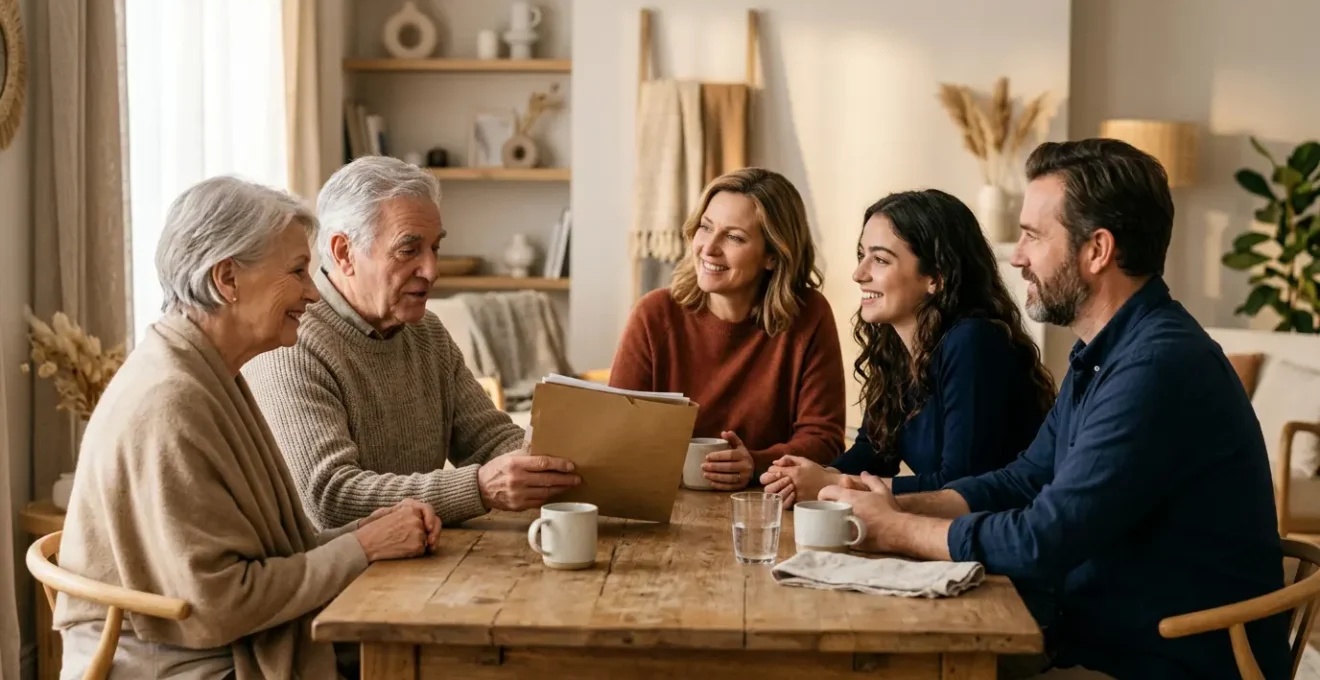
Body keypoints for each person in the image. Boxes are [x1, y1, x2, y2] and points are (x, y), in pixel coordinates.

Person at [814, 139, 1289, 679]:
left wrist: (896, 530)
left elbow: (1043, 538)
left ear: (1097, 250)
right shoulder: (1105, 354)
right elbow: (1025, 480)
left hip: (1161, 663)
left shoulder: (1158, 366)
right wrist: (899, 503)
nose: (1016, 256)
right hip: (1091, 637)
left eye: (1033, 236)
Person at [53, 177, 441, 680]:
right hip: (180, 664)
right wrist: (364, 547)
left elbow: (272, 553)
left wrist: (364, 532)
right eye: (299, 272)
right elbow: (221, 604)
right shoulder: (171, 401)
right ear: (227, 280)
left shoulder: (206, 369)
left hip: (214, 643)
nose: (313, 294)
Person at [243, 156, 581, 530]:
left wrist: (565, 462)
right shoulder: (291, 343)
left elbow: (490, 439)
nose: (432, 271)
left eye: (435, 248)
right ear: (343, 253)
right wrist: (481, 487)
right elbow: (331, 498)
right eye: (409, 250)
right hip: (341, 578)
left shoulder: (427, 333)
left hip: (419, 558)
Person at [760, 189, 1054, 506]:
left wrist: (833, 484)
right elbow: (873, 453)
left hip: (1003, 541)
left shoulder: (973, 342)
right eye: (862, 256)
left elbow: (960, 485)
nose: (859, 274)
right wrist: (805, 475)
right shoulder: (897, 347)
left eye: (881, 260)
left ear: (936, 277)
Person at [608, 167, 846, 490]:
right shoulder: (654, 315)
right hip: (664, 498)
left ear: (773, 256)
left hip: (766, 503)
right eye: (706, 228)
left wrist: (756, 463)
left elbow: (824, 438)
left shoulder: (810, 316)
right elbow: (617, 431)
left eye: (734, 237)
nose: (709, 247)